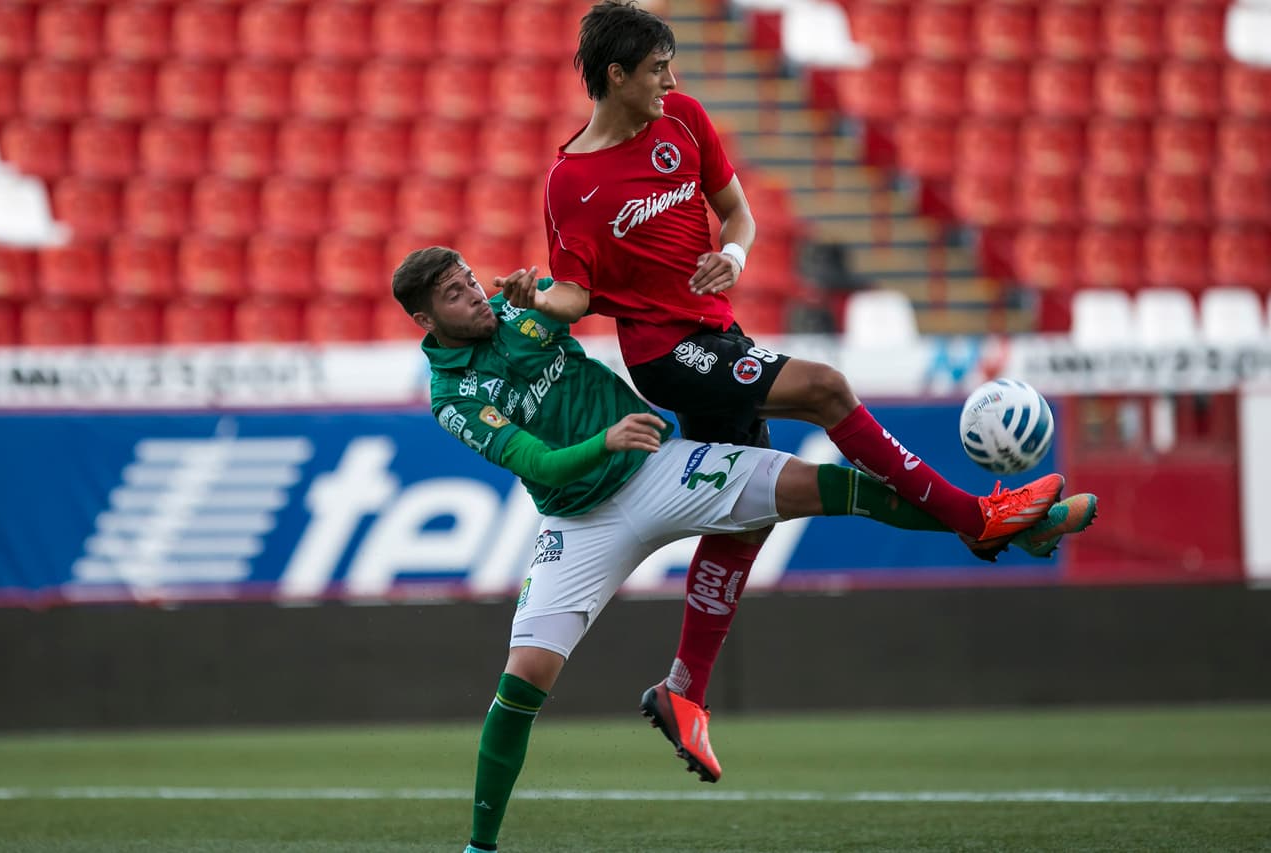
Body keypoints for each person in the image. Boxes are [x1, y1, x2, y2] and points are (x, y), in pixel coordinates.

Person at [513, 0, 1073, 785]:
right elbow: (574, 297)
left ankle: (685, 692)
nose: (671, 79)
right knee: (824, 387)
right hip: (669, 354)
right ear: (616, 76)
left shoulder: (685, 121)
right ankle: (973, 517)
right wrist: (531, 296)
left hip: (720, 333)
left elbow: (736, 215)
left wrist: (734, 260)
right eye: (656, 69)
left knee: (752, 508)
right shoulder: (572, 181)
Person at [391, 247, 1095, 853]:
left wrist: (545, 296)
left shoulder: (518, 311)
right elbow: (538, 464)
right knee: (523, 682)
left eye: (472, 280)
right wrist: (600, 441)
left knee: (824, 486)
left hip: (661, 467)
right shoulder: (451, 395)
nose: (475, 295)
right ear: (426, 319)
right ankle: (480, 844)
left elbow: (578, 299)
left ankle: (998, 525)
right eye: (455, 294)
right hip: (579, 521)